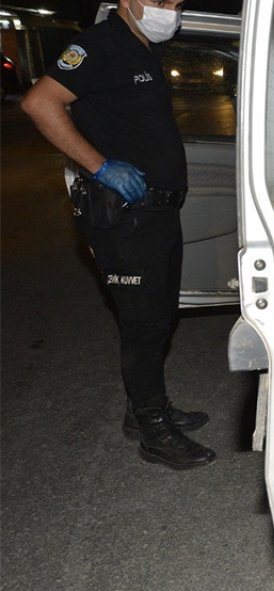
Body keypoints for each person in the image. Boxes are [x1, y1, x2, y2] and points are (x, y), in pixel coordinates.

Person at [21, 0, 215, 470]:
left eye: (176, 2)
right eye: (159, 0)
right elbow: (39, 102)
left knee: (160, 315)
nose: (170, 9)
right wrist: (100, 165)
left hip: (155, 213)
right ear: (127, 1)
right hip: (126, 218)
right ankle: (153, 432)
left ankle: (144, 410)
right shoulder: (98, 45)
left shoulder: (142, 47)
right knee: (144, 324)